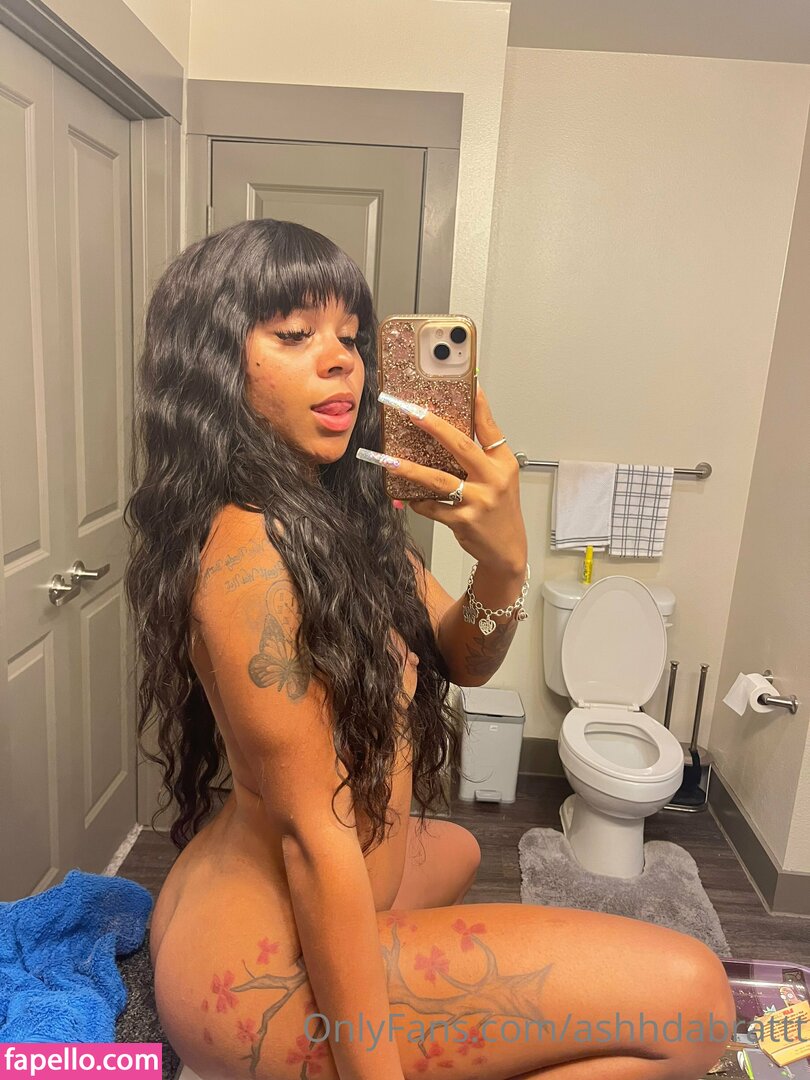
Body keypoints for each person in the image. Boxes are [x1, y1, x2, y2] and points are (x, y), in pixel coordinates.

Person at [124, 218, 735, 1080]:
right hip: (252, 979)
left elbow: (464, 657)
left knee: (460, 851)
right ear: (214, 366)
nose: (341, 362)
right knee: (698, 1004)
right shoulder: (253, 553)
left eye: (351, 338)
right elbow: (315, 842)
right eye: (295, 334)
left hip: (244, 885)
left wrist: (504, 562)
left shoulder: (333, 517)